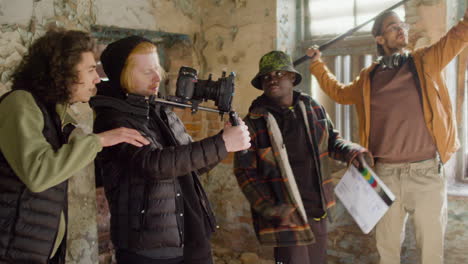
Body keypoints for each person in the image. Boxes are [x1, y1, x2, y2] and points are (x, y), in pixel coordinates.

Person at [306, 8, 468, 264]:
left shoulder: (425, 61)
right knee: (388, 251)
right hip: (385, 175)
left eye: (402, 24)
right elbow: (338, 93)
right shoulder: (368, 78)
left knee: (432, 254)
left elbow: (458, 36)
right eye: (393, 26)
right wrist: (317, 64)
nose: (401, 28)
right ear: (380, 39)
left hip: (426, 174)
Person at [90, 35, 250, 264]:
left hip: (190, 235)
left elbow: (187, 164)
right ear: (121, 75)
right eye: (146, 72)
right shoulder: (113, 119)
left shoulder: (159, 110)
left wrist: (224, 144)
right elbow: (153, 164)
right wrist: (222, 143)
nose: (157, 77)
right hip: (148, 247)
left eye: (157, 68)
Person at [0, 29, 149, 264]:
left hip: (33, 250)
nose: (97, 78)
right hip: (11, 251)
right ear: (63, 72)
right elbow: (38, 175)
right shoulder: (21, 103)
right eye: (90, 70)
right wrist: (99, 140)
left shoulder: (55, 113)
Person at [233, 50, 370, 264]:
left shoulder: (312, 108)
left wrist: (353, 151)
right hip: (286, 214)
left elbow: (332, 141)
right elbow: (245, 172)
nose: (272, 79)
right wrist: (272, 208)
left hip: (316, 208)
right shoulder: (253, 122)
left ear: (292, 78)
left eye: (279, 73)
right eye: (267, 76)